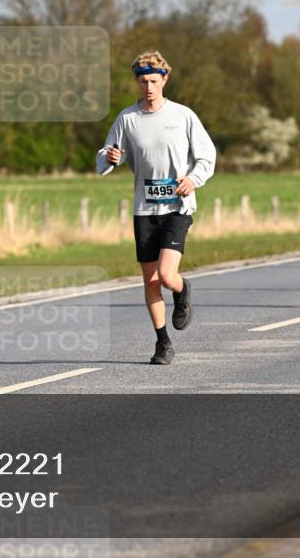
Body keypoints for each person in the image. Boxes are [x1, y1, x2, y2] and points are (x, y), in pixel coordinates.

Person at [96, 51, 216, 365]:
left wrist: (192, 179)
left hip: (177, 206)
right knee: (150, 279)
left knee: (165, 274)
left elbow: (207, 156)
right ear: (137, 82)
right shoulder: (127, 119)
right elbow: (107, 156)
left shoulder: (183, 116)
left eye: (153, 81)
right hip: (144, 209)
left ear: (165, 80)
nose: (148, 87)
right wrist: (109, 159)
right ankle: (163, 343)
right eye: (143, 81)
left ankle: (181, 288)